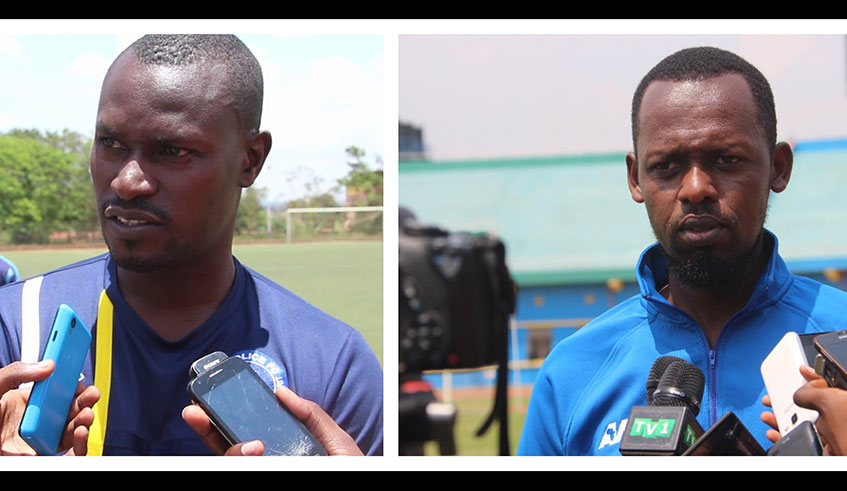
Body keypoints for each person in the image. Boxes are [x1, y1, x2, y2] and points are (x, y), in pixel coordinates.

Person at [0, 34, 383, 456]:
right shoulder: (16, 326)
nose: (127, 182)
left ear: (250, 159)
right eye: (111, 144)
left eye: (172, 150)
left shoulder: (332, 364)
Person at [517, 46, 847, 456]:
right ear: (636, 179)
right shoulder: (572, 373)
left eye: (726, 159)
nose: (695, 189)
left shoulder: (840, 332)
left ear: (778, 167)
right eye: (667, 166)